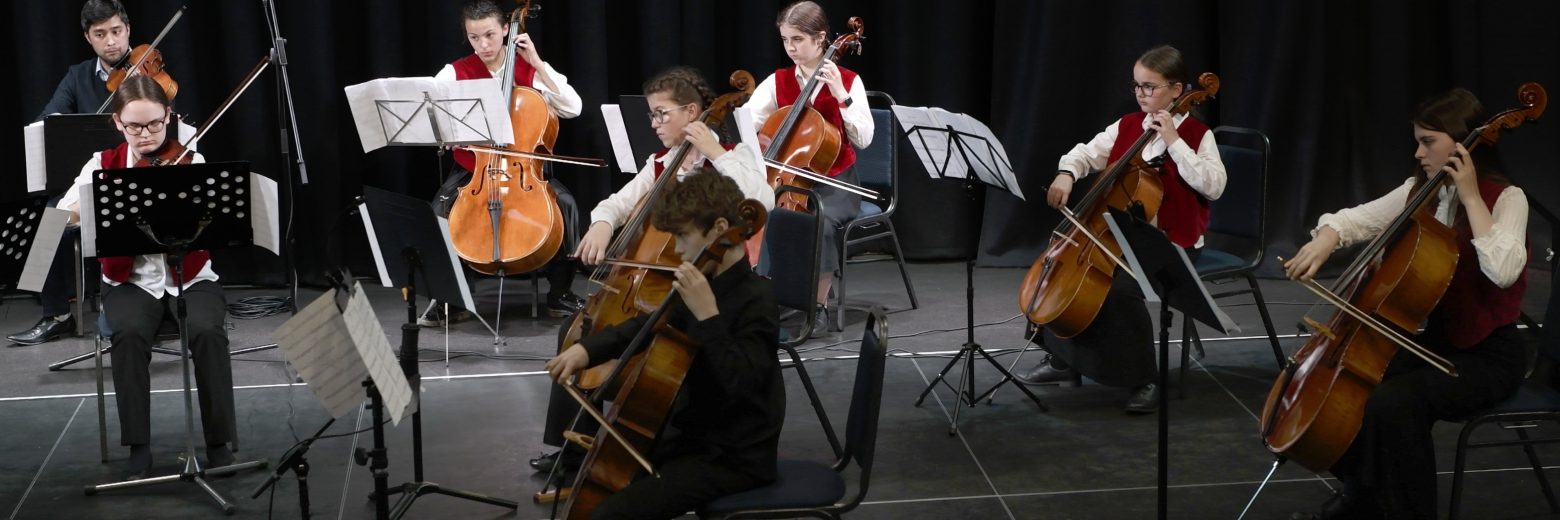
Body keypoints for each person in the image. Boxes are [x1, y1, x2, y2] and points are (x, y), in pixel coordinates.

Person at [1285, 88, 1529, 520]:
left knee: (1397, 403)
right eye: (1417, 141)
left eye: (1428, 141)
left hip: (1489, 357)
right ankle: (1364, 498)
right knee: (1355, 389)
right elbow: (1357, 219)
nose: (1418, 152)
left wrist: (1471, 196)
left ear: (1462, 142)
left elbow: (1503, 271)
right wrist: (1327, 237)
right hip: (1436, 345)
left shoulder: (1508, 199)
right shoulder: (1422, 192)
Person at [529, 65, 773, 477]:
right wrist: (603, 222)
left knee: (647, 347)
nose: (655, 123)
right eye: (652, 115)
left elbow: (757, 200)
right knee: (578, 327)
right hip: (661, 284)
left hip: (712, 291)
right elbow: (618, 202)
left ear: (692, 112)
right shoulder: (661, 164)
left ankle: (650, 443)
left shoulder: (735, 159)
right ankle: (574, 450)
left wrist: (713, 152)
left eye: (662, 114)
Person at [544, 168, 783, 520]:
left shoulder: (756, 299)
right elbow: (648, 323)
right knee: (599, 485)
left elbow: (741, 385)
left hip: (734, 456)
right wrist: (587, 350)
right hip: (693, 437)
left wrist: (709, 316)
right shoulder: (704, 278)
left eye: (683, 236)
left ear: (719, 228)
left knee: (612, 514)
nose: (677, 248)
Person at [1017, 45, 1226, 414]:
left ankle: (1143, 378)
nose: (1143, 95)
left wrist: (1174, 142)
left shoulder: (1196, 134)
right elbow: (1085, 153)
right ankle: (1063, 359)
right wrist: (1067, 173)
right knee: (1059, 271)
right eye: (1137, 86)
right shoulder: (1128, 126)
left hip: (1169, 244)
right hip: (1119, 236)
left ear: (1178, 90)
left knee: (1118, 291)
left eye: (1151, 87)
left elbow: (1213, 185)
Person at [57, 75, 238, 480]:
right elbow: (70, 209)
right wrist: (69, 215)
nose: (146, 135)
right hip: (131, 280)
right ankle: (138, 445)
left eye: (155, 124)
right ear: (118, 122)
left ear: (169, 117)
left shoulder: (193, 161)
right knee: (128, 334)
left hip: (191, 277)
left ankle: (218, 442)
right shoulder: (101, 165)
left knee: (208, 331)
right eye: (135, 126)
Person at [422, 0, 586, 326]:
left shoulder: (530, 68)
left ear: (507, 30)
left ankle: (560, 293)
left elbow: (573, 108)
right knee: (438, 209)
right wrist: (446, 132)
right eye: (474, 37)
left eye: (490, 35)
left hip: (526, 169)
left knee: (565, 203)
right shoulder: (455, 72)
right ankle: (452, 299)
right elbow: (430, 117)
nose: (483, 45)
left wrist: (537, 63)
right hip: (474, 169)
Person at [742, 0, 874, 335]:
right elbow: (745, 123)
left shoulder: (848, 80)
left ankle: (818, 306)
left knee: (821, 222)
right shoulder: (778, 81)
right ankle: (766, 295)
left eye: (798, 39)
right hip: (787, 177)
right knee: (754, 211)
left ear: (821, 38)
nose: (790, 48)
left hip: (835, 182)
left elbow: (865, 138)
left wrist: (841, 95)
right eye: (786, 40)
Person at [8, 0, 134, 347]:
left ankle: (138, 310)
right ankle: (55, 314)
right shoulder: (78, 76)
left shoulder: (146, 72)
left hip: (135, 178)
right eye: (100, 34)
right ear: (88, 38)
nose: (111, 42)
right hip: (88, 179)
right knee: (46, 219)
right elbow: (47, 120)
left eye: (116, 31)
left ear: (127, 30)